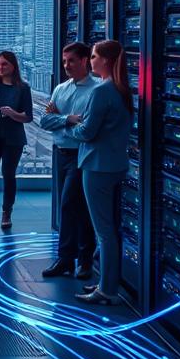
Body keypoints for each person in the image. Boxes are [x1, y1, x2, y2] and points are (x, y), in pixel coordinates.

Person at [66, 39, 134, 305]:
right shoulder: (122, 89)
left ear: (105, 60)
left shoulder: (101, 91)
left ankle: (106, 290)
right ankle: (108, 281)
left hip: (97, 166)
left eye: (93, 56)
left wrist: (70, 126)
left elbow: (87, 132)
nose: (90, 60)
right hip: (116, 165)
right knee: (111, 229)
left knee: (103, 232)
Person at [39, 43, 99, 281]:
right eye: (65, 61)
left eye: (72, 61)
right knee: (74, 207)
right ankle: (70, 259)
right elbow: (45, 121)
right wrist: (67, 119)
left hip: (81, 155)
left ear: (85, 60)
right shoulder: (60, 89)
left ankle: (77, 260)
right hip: (61, 154)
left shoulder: (97, 90)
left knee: (71, 205)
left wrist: (59, 120)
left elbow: (87, 127)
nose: (66, 66)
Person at [0, 51, 33, 229]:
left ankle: (6, 212)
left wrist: (13, 113)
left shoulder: (23, 88)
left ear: (13, 66)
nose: (0, 68)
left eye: (4, 64)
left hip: (13, 138)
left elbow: (28, 117)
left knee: (9, 175)